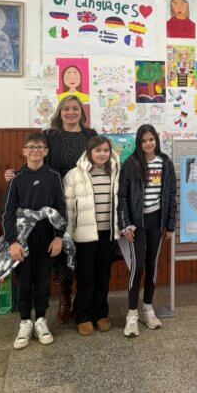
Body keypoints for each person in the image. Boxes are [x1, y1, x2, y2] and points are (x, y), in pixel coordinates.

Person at [5, 95, 97, 323]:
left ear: (81, 113)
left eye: (75, 108)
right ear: (59, 112)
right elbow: (36, 160)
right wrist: (16, 174)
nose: (71, 112)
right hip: (56, 200)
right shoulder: (50, 135)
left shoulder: (90, 136)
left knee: (83, 248)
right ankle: (65, 297)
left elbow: (99, 162)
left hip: (83, 200)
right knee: (60, 249)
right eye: (66, 108)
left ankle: (84, 300)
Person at [0, 132, 67, 349]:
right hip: (22, 239)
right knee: (23, 281)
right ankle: (24, 322)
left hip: (46, 238)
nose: (35, 150)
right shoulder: (17, 178)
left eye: (40, 147)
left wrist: (59, 237)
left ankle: (40, 319)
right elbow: (7, 212)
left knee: (42, 280)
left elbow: (61, 208)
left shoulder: (54, 176)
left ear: (46, 151)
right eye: (31, 147)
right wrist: (12, 242)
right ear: (24, 151)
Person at [118, 124, 177, 337]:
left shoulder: (166, 162)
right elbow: (122, 197)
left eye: (151, 139)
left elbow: (171, 195)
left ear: (156, 140)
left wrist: (170, 224)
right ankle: (132, 314)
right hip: (137, 223)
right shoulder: (130, 164)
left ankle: (148, 309)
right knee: (138, 266)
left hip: (157, 221)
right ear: (139, 143)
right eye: (144, 140)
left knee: (152, 265)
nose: (148, 143)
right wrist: (125, 224)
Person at [64, 136, 120, 336]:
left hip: (108, 234)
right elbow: (69, 208)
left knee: (103, 275)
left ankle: (101, 314)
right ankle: (83, 316)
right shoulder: (73, 175)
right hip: (84, 235)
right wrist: (68, 236)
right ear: (89, 152)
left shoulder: (116, 172)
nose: (102, 154)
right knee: (86, 276)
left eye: (106, 150)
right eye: (98, 150)